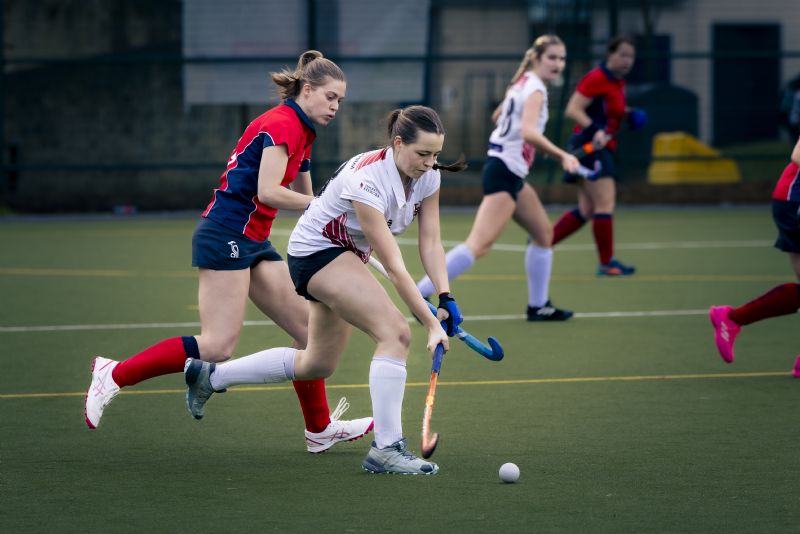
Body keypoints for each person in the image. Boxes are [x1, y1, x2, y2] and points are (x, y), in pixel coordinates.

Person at [84, 50, 374, 453]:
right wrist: (326, 206)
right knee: (218, 346)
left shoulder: (305, 131)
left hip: (253, 240)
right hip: (225, 234)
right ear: (307, 90)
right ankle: (113, 374)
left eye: (340, 100)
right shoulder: (283, 124)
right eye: (330, 97)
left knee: (310, 334)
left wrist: (335, 223)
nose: (335, 107)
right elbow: (269, 192)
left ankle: (319, 429)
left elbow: (308, 200)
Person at [184, 105, 466, 475]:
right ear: (398, 143)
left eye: (436, 155)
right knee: (395, 333)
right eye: (423, 154)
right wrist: (429, 322)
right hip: (317, 253)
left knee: (317, 362)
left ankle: (212, 376)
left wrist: (445, 296)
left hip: (346, 253)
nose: (430, 163)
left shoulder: (429, 177)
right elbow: (394, 265)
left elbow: (430, 243)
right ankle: (387, 448)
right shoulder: (367, 180)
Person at [415, 34, 579, 321]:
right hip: (504, 171)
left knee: (544, 234)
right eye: (552, 57)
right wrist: (563, 156)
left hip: (510, 171)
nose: (558, 63)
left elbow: (497, 116)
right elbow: (528, 132)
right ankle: (420, 293)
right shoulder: (536, 89)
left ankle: (538, 306)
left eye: (562, 58)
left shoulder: (523, 82)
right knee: (478, 245)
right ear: (538, 59)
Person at [551, 35, 644, 276]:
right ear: (609, 54)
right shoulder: (597, 78)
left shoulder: (617, 81)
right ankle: (607, 263)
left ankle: (542, 243)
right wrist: (596, 130)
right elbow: (573, 108)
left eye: (631, 56)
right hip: (589, 147)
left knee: (588, 208)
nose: (627, 60)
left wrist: (629, 114)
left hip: (600, 147)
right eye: (622, 54)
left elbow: (609, 112)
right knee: (605, 203)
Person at [709, 135, 800, 377]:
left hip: (789, 200)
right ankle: (732, 317)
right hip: (795, 201)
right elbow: (797, 155)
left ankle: (731, 318)